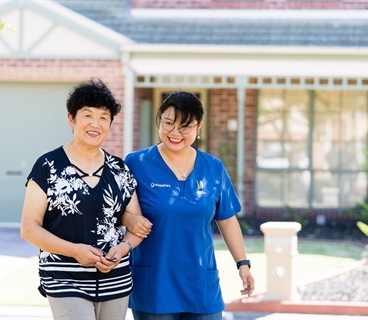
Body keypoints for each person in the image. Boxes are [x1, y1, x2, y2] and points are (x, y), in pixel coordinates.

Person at [20, 77, 150, 320]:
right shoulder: (47, 167)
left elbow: (137, 225)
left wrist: (122, 249)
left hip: (115, 279)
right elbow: (29, 229)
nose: (96, 123)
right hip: (64, 277)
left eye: (103, 117)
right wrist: (75, 251)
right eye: (87, 115)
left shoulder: (120, 170)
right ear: (72, 119)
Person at [124, 90, 255, 320]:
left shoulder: (213, 168)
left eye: (185, 126)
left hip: (201, 285)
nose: (175, 133)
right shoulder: (137, 163)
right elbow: (119, 212)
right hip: (154, 287)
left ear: (198, 127)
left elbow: (227, 220)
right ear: (159, 120)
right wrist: (129, 220)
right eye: (168, 123)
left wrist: (242, 264)